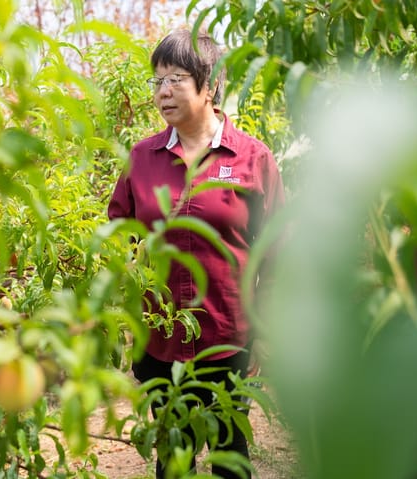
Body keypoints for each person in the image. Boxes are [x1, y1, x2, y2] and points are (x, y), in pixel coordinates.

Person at [107, 28, 285, 478]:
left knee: (231, 455)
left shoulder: (252, 158)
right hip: (161, 341)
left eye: (176, 79)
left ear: (209, 85)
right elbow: (118, 241)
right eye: (157, 81)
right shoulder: (141, 159)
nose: (162, 92)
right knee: (174, 461)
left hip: (229, 338)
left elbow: (276, 253)